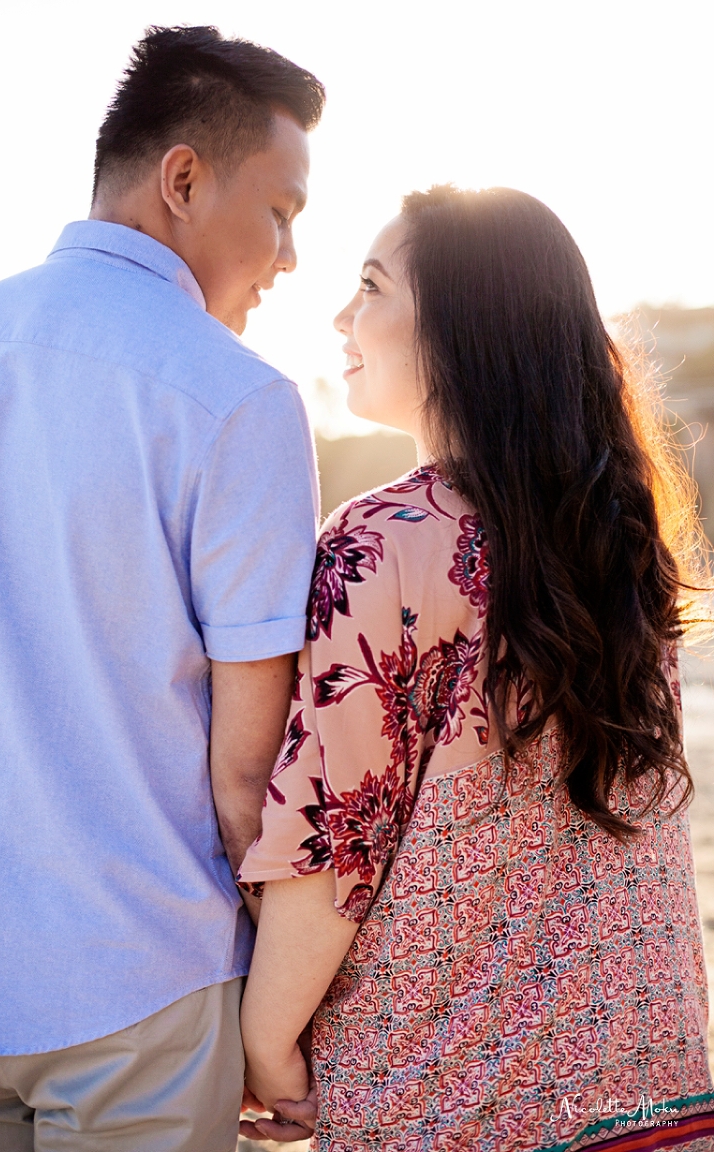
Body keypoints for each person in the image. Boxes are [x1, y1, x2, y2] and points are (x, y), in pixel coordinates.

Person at [237, 186, 714, 1150]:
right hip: (644, 1075)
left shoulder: (383, 542)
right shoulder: (622, 536)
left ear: (461, 326)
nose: (340, 317)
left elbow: (337, 837)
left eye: (370, 287)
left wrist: (265, 1038)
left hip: (445, 1095)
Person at [0, 25, 324, 1152]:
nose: (291, 256)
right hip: (141, 987)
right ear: (182, 179)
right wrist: (273, 1017)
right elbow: (248, 776)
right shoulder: (239, 398)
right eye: (283, 211)